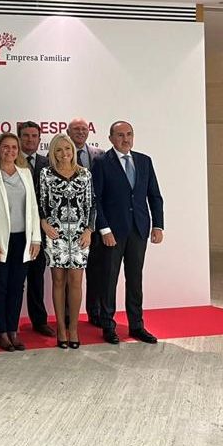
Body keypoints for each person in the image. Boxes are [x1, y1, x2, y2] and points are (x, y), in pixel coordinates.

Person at [92, 120, 164, 345]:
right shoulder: (101, 162)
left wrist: (158, 225)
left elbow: (154, 196)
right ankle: (108, 325)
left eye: (129, 134)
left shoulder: (144, 161)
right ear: (111, 138)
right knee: (109, 280)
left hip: (139, 229)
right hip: (112, 233)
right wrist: (104, 229)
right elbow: (96, 200)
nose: (125, 139)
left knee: (135, 279)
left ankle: (137, 325)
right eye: (120, 135)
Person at [0, 132, 42, 352]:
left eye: (14, 147)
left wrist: (36, 238)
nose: (10, 151)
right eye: (5, 147)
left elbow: (33, 207)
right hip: (0, 240)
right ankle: (2, 332)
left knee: (17, 286)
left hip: (22, 239)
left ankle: (13, 330)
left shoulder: (25, 173)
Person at [38, 133, 95, 349]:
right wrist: (44, 224)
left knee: (76, 282)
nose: (64, 153)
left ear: (73, 150)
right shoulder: (46, 174)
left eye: (67, 149)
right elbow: (40, 202)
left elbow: (92, 205)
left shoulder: (85, 174)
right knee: (58, 281)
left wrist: (89, 230)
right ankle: (61, 329)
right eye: (59, 150)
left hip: (80, 235)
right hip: (55, 234)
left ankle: (74, 329)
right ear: (53, 153)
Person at [67, 117, 106, 327]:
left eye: (84, 129)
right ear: (68, 132)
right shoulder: (60, 154)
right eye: (76, 129)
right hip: (69, 224)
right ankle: (68, 313)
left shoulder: (100, 155)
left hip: (96, 224)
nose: (80, 132)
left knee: (96, 271)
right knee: (69, 274)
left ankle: (95, 311)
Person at [17, 120, 54, 337]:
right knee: (15, 280)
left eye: (34, 136)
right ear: (19, 138)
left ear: (39, 139)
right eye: (26, 135)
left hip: (40, 231)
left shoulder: (48, 162)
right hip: (16, 229)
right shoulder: (10, 160)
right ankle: (10, 323)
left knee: (36, 278)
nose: (30, 140)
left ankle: (39, 321)